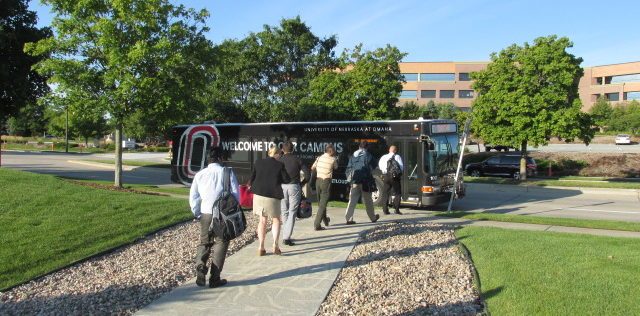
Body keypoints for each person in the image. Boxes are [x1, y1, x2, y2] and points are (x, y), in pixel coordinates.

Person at [189, 147, 238, 288]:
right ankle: (215, 278)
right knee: (221, 242)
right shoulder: (227, 173)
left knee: (204, 242)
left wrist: (197, 212)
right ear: (220, 158)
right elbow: (235, 195)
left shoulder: (200, 175)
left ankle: (200, 266)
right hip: (223, 214)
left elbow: (194, 197)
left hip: (205, 213)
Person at [250, 146, 290, 256]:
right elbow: (287, 179)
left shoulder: (258, 162)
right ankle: (275, 245)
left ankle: (261, 247)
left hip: (258, 195)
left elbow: (252, 178)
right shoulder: (279, 165)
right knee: (276, 220)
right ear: (277, 154)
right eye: (280, 154)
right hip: (273, 195)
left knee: (262, 220)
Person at [278, 141, 309, 246]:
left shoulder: (280, 160)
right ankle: (286, 237)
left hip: (282, 187)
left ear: (282, 149)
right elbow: (308, 174)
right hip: (294, 186)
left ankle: (285, 235)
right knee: (292, 211)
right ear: (293, 149)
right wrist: (302, 183)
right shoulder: (298, 159)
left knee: (284, 211)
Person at [344, 141, 380, 225]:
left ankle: (348, 219)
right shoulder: (368, 155)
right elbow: (374, 165)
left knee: (352, 201)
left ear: (359, 147)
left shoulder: (353, 156)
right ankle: (373, 218)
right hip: (365, 182)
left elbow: (348, 168)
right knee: (368, 201)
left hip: (355, 181)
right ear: (366, 147)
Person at [311, 144, 338, 230]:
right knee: (323, 204)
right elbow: (336, 167)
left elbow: (312, 167)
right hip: (326, 182)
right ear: (330, 151)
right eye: (333, 150)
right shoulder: (333, 159)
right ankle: (317, 224)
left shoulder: (319, 158)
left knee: (321, 203)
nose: (334, 151)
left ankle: (325, 220)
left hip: (318, 181)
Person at [378, 145, 404, 215]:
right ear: (395, 151)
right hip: (394, 177)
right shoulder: (397, 156)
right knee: (398, 193)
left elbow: (380, 166)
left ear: (389, 150)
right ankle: (396, 209)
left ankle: (385, 210)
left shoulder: (383, 157)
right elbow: (401, 167)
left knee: (385, 193)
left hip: (386, 176)